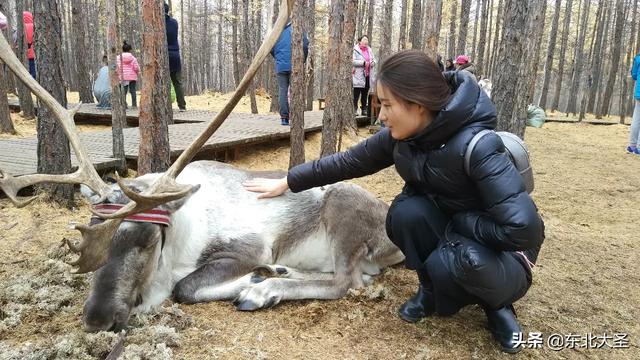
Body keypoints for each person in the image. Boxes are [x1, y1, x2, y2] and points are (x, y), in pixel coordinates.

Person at [244, 50, 544, 354]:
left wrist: (461, 225)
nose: (381, 115)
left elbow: (524, 230)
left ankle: (498, 307)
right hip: (457, 230)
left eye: (388, 105)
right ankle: (429, 290)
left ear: (418, 104)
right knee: (405, 214)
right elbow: (347, 162)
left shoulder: (479, 146)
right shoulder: (404, 137)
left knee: (461, 258)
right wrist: (288, 181)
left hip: (501, 249)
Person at [271, 21, 309, 126]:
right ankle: (295, 116)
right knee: (295, 90)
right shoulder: (298, 27)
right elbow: (305, 45)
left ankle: (284, 118)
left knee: (283, 90)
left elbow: (271, 47)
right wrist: (302, 60)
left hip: (281, 66)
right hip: (296, 65)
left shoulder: (277, 30)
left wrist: (279, 58)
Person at [165, 3, 187, 112]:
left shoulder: (157, 23)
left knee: (163, 82)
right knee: (177, 82)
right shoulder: (174, 22)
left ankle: (165, 106)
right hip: (175, 54)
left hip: (164, 55)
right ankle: (182, 106)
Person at [353, 35, 376, 116]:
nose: (366, 41)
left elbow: (373, 59)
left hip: (367, 74)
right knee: (356, 93)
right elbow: (353, 61)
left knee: (365, 93)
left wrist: (373, 63)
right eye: (364, 39)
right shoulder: (355, 49)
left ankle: (364, 109)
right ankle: (354, 109)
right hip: (358, 74)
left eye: (367, 39)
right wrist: (363, 63)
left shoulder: (369, 49)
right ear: (360, 41)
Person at [117, 41, 140, 109]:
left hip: (123, 77)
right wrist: (137, 71)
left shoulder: (118, 58)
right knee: (133, 91)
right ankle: (134, 105)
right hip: (132, 76)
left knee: (124, 91)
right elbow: (136, 68)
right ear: (130, 50)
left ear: (122, 49)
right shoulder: (133, 58)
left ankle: (124, 105)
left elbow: (117, 67)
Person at [628, 53, 640, 154]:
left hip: (638, 92)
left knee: (636, 119)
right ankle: (639, 147)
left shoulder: (638, 57)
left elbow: (634, 75)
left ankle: (632, 146)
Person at [23, 11, 35, 79]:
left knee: (27, 73)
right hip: (34, 54)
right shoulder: (34, 26)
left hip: (25, 54)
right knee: (34, 71)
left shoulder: (22, 28)